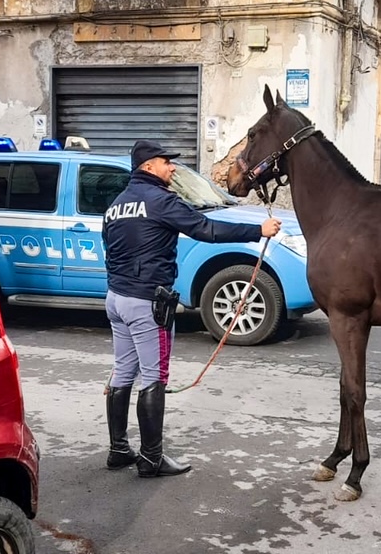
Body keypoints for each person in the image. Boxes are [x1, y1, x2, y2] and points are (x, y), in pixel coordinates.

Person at [102, 139, 282, 477]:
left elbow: (109, 251)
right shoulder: (160, 201)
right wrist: (258, 230)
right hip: (146, 303)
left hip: (116, 299)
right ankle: (152, 459)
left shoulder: (116, 205)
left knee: (123, 372)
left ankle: (118, 450)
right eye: (165, 161)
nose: (171, 167)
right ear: (147, 166)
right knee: (153, 377)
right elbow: (207, 229)